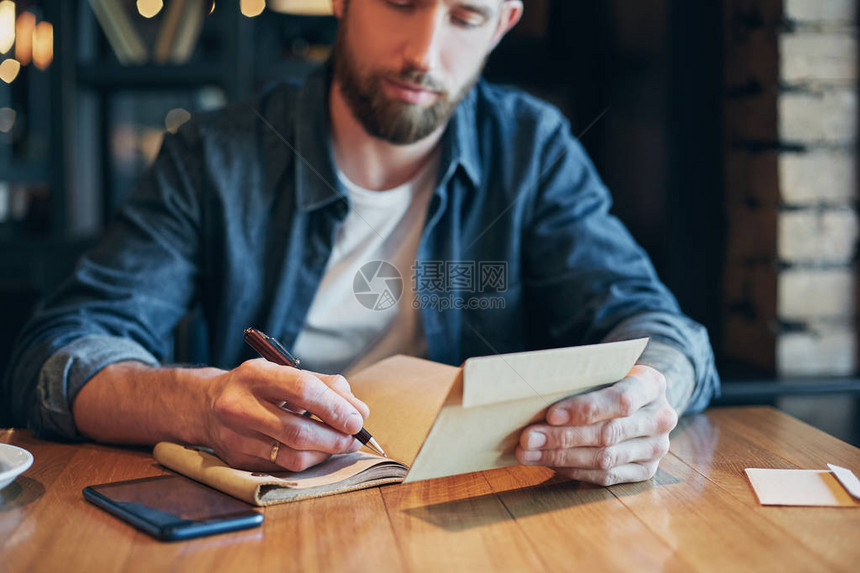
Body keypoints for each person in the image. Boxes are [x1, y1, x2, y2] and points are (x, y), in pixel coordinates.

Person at [2, 0, 718, 486]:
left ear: (502, 23)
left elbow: (660, 326)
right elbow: (56, 354)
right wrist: (201, 403)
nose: (424, 52)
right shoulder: (214, 156)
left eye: (466, 16)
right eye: (401, 1)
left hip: (467, 520)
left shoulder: (533, 149)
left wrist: (647, 394)